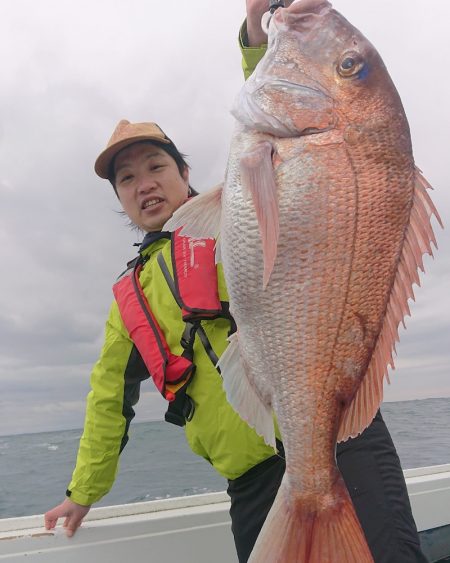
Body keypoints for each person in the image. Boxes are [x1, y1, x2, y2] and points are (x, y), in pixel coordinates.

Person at [44, 2, 428, 562]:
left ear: (186, 175)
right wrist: (82, 494)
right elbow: (108, 401)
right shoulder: (128, 298)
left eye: (156, 166)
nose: (143, 184)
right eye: (126, 179)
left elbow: (294, 136)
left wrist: (259, 36)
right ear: (119, 199)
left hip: (341, 444)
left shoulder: (243, 214)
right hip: (249, 483)